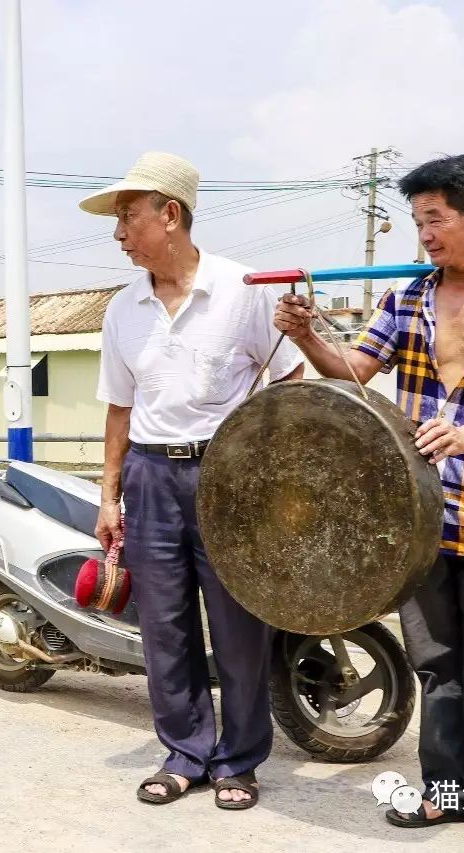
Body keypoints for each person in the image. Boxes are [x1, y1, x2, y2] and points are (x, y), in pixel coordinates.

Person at [275, 155, 464, 853]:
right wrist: (306, 336)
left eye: (435, 219)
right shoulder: (411, 297)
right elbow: (357, 370)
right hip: (419, 521)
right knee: (438, 663)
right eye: (418, 222)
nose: (426, 236)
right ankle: (446, 792)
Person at [83, 152, 304, 809]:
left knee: (238, 627)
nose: (119, 234)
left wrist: (271, 477)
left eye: (127, 218)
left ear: (170, 214)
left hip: (230, 475)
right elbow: (119, 408)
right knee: (164, 627)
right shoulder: (123, 310)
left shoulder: (246, 289)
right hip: (151, 476)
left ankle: (238, 760)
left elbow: (289, 379)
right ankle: (185, 752)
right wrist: (109, 494)